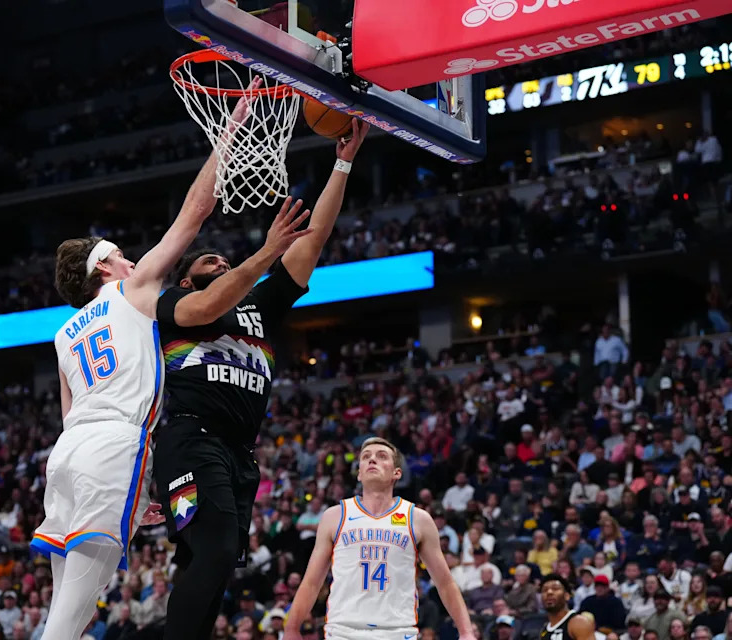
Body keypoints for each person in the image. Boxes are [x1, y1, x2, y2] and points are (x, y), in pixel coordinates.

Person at [29, 88, 314, 640]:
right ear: (104, 269)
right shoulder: (132, 289)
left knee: (69, 598)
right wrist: (226, 135)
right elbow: (196, 211)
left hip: (66, 456)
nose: (129, 257)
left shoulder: (64, 334)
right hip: (114, 444)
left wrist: (140, 495)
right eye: (117, 253)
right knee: (73, 607)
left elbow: (69, 419)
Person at [153, 119, 370, 640]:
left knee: (214, 562)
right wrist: (265, 251)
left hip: (239, 453)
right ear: (187, 276)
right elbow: (213, 301)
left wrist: (342, 163)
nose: (221, 260)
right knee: (219, 546)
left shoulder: (258, 307)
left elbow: (312, 241)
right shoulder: (175, 303)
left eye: (226, 258)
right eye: (211, 259)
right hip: (189, 440)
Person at [282, 437, 478, 640]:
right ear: (358, 473)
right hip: (343, 631)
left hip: (397, 631)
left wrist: (466, 632)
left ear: (397, 473)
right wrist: (291, 628)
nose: (372, 460)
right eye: (366, 457)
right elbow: (312, 582)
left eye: (381, 456)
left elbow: (445, 582)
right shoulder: (335, 516)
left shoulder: (417, 518)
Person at [540, 573, 597, 640]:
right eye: (544, 590)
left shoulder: (579, 623)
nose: (549, 592)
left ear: (567, 596)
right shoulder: (545, 629)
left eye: (555, 588)